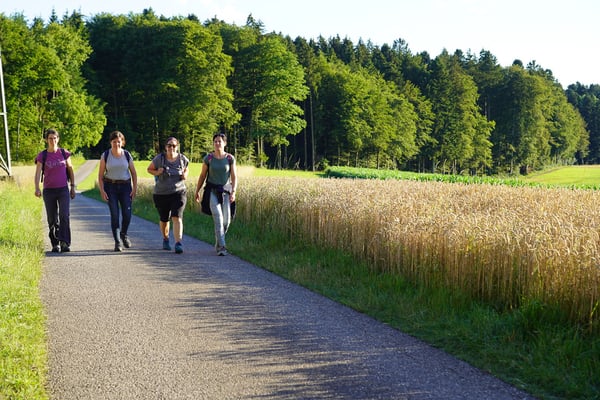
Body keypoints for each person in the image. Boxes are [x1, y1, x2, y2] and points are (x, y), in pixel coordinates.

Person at [194, 133, 237, 256]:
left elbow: (234, 176)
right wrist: (197, 191)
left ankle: (218, 242)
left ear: (225, 143)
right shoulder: (208, 158)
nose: (217, 143)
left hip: (226, 191)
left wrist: (233, 191)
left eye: (220, 141)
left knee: (226, 222)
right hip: (212, 191)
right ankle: (222, 247)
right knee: (218, 217)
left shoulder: (230, 158)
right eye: (215, 141)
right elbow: (202, 175)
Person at [34, 128, 76, 253]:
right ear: (46, 140)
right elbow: (37, 173)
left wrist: (72, 187)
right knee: (52, 218)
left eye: (55, 138)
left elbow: (70, 169)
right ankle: (55, 243)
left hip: (63, 189)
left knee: (64, 215)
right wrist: (37, 188)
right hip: (49, 191)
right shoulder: (42, 155)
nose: (53, 140)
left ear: (58, 139)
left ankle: (65, 242)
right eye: (50, 138)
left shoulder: (64, 153)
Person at [147, 137, 189, 254]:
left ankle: (178, 243)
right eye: (169, 145)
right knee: (164, 219)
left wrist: (185, 175)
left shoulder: (182, 159)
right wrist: (157, 172)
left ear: (177, 147)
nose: (171, 148)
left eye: (174, 145)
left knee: (177, 216)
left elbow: (186, 169)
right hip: (161, 193)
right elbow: (149, 169)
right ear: (166, 147)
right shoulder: (159, 159)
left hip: (178, 192)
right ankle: (165, 239)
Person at [98, 130, 138, 252]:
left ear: (123, 142)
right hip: (110, 187)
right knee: (115, 215)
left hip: (125, 187)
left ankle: (124, 234)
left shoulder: (127, 155)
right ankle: (117, 242)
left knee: (127, 214)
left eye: (119, 142)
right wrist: (102, 190)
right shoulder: (105, 155)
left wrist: (134, 188)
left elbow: (134, 173)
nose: (117, 144)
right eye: (114, 142)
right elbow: (100, 175)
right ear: (111, 142)